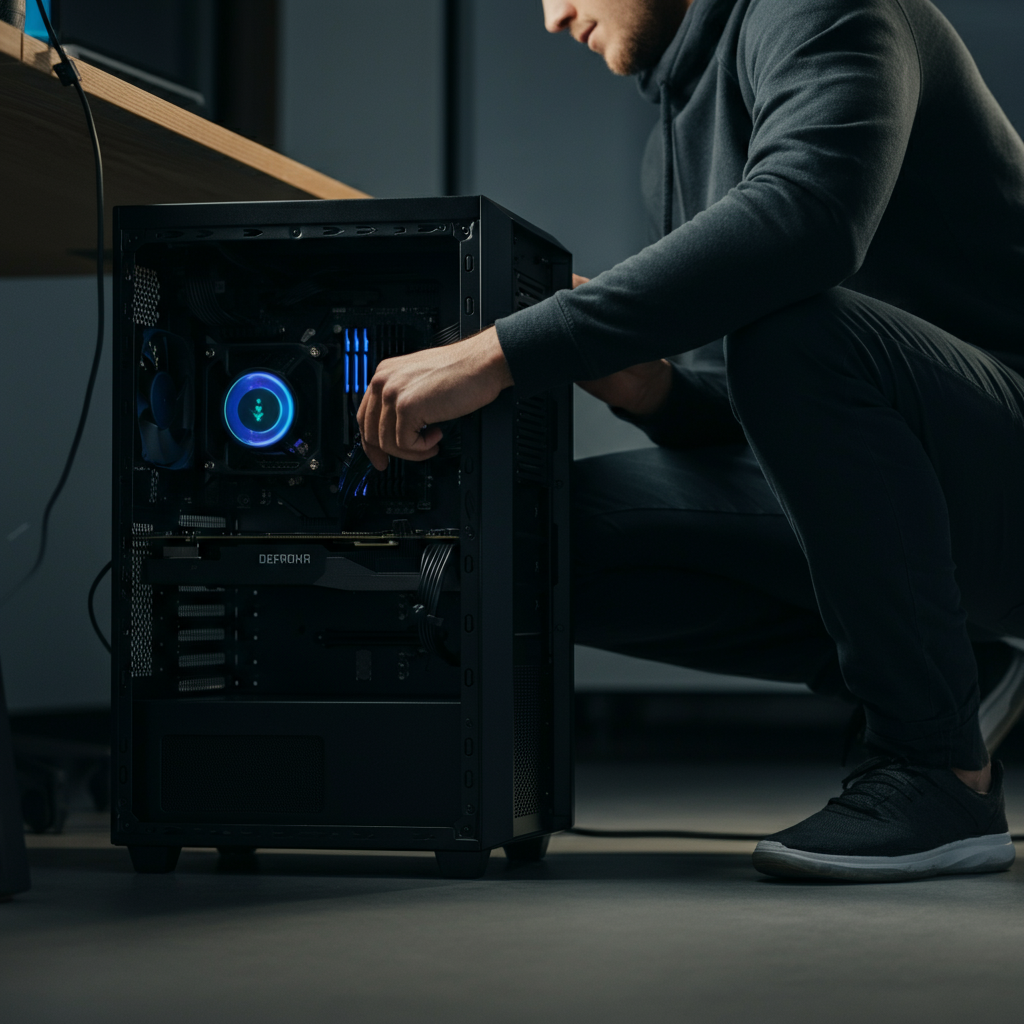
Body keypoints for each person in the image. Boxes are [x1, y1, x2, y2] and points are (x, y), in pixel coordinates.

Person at [357, 0, 1024, 881]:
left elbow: (809, 219)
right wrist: (649, 385)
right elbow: (764, 414)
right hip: (926, 498)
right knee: (528, 546)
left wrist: (504, 351)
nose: (553, 16)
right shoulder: (673, 132)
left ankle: (936, 765)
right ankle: (957, 670)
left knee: (791, 332)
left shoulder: (820, 8)